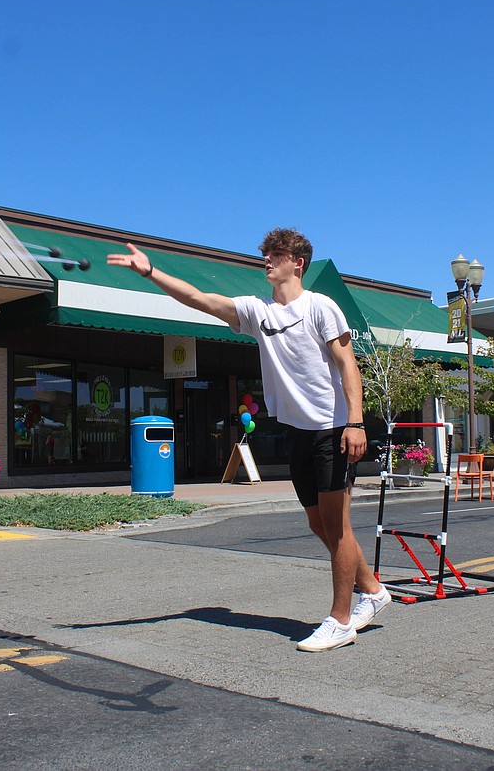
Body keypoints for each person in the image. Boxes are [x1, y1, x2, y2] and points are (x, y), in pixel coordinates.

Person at [108, 227, 390, 652]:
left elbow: (348, 365)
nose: (267, 260)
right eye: (266, 254)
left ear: (297, 263)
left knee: (337, 526)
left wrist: (356, 423)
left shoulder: (321, 307)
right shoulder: (257, 311)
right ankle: (372, 590)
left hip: (332, 429)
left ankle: (340, 619)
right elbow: (199, 299)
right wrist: (151, 272)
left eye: (275, 254)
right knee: (319, 524)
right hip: (297, 431)